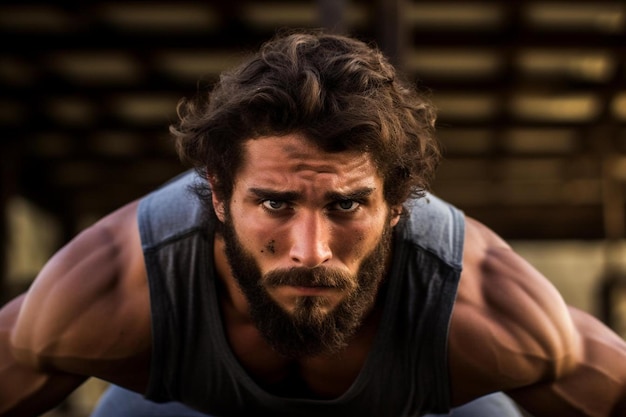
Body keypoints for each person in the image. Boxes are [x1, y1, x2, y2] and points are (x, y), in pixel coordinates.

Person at [1, 28, 625, 417]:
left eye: (346, 205)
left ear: (398, 206)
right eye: (275, 203)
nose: (310, 251)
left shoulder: (486, 309)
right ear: (216, 196)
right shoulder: (111, 289)